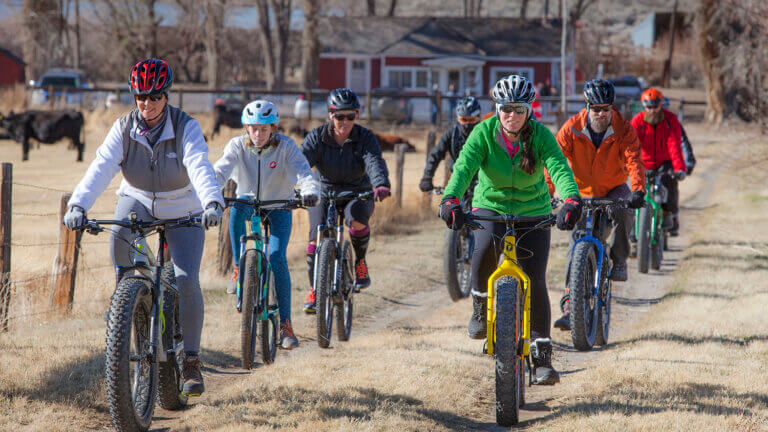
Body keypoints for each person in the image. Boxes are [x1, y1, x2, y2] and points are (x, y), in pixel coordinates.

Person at [63, 58, 224, 396]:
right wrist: (78, 204)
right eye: (140, 97)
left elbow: (198, 164)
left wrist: (212, 201)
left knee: (185, 277)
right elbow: (102, 166)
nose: (147, 105)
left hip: (184, 205)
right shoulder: (123, 128)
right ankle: (128, 307)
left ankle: (191, 358)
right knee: (120, 241)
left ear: (166, 96)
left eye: (154, 97)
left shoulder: (185, 126)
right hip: (136, 200)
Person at [439, 75, 582, 385]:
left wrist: (571, 198)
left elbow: (559, 166)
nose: (512, 116)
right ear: (497, 108)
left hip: (533, 212)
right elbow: (464, 167)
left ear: (528, 110)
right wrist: (450, 197)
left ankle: (542, 358)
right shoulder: (483, 133)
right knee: (481, 256)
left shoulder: (541, 136)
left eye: (519, 110)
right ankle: (479, 305)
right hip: (491, 206)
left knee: (535, 280)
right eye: (506, 109)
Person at [214, 99, 319, 349]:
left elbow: (304, 172)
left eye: (264, 129)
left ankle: (285, 325)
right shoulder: (237, 146)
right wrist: (209, 194)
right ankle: (240, 267)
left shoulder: (286, 146)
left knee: (276, 257)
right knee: (236, 208)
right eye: (253, 128)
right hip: (247, 205)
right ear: (246, 127)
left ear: (274, 127)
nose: (258, 134)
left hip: (279, 207)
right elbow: (219, 171)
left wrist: (309, 190)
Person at [547, 78, 646, 331]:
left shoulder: (623, 129)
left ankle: (620, 258)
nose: (601, 114)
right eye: (596, 108)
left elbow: (634, 159)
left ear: (612, 107)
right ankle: (570, 304)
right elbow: (554, 161)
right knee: (575, 244)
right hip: (579, 192)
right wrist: (547, 193)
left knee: (624, 210)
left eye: (606, 108)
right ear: (587, 106)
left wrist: (637, 190)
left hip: (613, 188)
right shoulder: (572, 129)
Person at [300, 88, 391, 313]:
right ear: (330, 115)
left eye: (350, 116)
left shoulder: (365, 137)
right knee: (315, 236)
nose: (345, 121)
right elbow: (300, 164)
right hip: (324, 191)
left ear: (357, 116)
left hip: (357, 191)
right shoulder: (317, 136)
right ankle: (314, 289)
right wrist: (295, 186)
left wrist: (380, 183)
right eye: (340, 116)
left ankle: (360, 263)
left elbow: (374, 161)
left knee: (357, 220)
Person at [631, 88, 686, 236]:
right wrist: (625, 165)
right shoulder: (637, 121)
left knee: (669, 181)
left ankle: (670, 213)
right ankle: (633, 227)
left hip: (664, 162)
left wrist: (679, 168)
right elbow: (629, 145)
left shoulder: (670, 120)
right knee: (634, 192)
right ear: (644, 107)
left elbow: (674, 144)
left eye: (655, 107)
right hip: (643, 163)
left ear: (661, 105)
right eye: (649, 107)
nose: (652, 110)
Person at [419, 96, 482, 194]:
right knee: (449, 207)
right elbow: (436, 154)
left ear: (478, 118)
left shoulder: (486, 134)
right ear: (458, 119)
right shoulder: (452, 133)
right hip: (458, 179)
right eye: (464, 120)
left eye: (472, 120)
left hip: (482, 181)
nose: (467, 124)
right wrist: (427, 177)